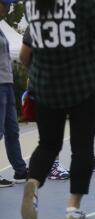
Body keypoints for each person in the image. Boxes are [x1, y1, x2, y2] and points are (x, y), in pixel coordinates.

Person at [21, 0, 95, 219]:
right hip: (81, 82)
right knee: (82, 147)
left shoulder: (31, 3)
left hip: (47, 86)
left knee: (48, 144)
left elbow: (26, 52)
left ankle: (33, 182)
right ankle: (73, 206)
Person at [0, 0, 28, 188]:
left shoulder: (2, 28)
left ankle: (20, 170)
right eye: (6, 4)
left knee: (12, 130)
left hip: (7, 83)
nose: (9, 8)